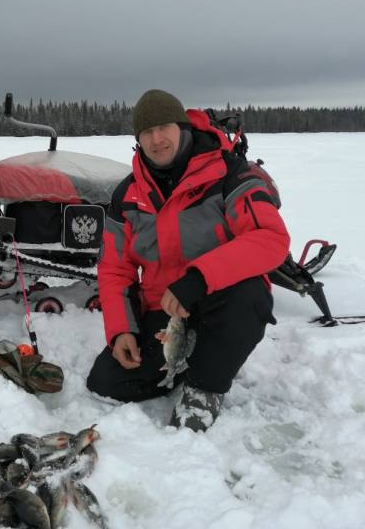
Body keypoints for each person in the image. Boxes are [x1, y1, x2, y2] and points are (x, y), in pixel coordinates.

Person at [86, 90, 290, 431]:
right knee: (107, 382)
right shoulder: (127, 195)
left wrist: (198, 278)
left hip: (218, 301)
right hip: (165, 315)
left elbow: (271, 239)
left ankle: (205, 386)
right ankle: (183, 361)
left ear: (182, 127)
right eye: (146, 132)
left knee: (250, 297)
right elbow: (114, 268)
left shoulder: (230, 174)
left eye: (164, 127)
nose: (157, 139)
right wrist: (121, 331)